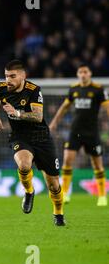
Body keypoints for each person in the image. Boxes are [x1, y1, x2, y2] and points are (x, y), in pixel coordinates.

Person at [0, 60, 65, 226]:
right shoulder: (1, 87)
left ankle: (58, 214)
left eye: (12, 76)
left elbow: (38, 116)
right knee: (24, 165)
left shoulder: (33, 90)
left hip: (42, 138)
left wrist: (17, 113)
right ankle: (29, 191)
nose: (8, 80)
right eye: (6, 76)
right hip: (20, 136)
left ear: (23, 76)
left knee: (53, 185)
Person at [49, 64, 108, 206]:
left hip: (92, 132)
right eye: (80, 72)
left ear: (90, 73)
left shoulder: (98, 89)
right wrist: (54, 122)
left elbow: (107, 108)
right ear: (77, 74)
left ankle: (101, 196)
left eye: (85, 72)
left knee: (97, 164)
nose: (83, 74)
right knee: (68, 160)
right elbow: (64, 107)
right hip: (75, 131)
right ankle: (65, 193)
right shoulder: (74, 89)